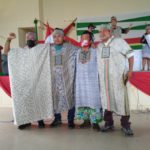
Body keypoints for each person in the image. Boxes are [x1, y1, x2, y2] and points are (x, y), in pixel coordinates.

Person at [97, 24, 134, 136]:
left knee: (122, 100)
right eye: (100, 31)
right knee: (106, 100)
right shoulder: (99, 46)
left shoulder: (119, 42)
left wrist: (130, 70)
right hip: (105, 80)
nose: (102, 33)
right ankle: (109, 123)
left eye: (105, 31)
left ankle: (125, 125)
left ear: (110, 32)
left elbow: (130, 55)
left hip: (118, 78)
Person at [3, 32, 45, 129]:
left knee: (38, 99)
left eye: (32, 38)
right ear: (26, 40)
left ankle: (40, 120)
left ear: (36, 40)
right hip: (25, 81)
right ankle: (26, 121)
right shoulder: (22, 51)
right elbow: (6, 52)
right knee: (25, 100)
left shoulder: (40, 49)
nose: (30, 39)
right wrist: (9, 39)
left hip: (37, 80)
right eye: (28, 38)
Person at [49, 28, 78, 129]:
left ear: (63, 37)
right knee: (55, 98)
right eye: (54, 36)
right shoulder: (48, 49)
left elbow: (81, 52)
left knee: (70, 97)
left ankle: (70, 120)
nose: (56, 38)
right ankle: (57, 119)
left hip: (67, 78)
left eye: (59, 36)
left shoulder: (70, 47)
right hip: (53, 79)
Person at [75, 31, 102, 131]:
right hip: (80, 82)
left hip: (92, 82)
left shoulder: (95, 51)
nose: (84, 40)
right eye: (83, 38)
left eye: (87, 38)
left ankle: (95, 122)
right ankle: (85, 120)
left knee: (94, 101)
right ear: (80, 40)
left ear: (91, 41)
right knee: (82, 100)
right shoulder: (78, 52)